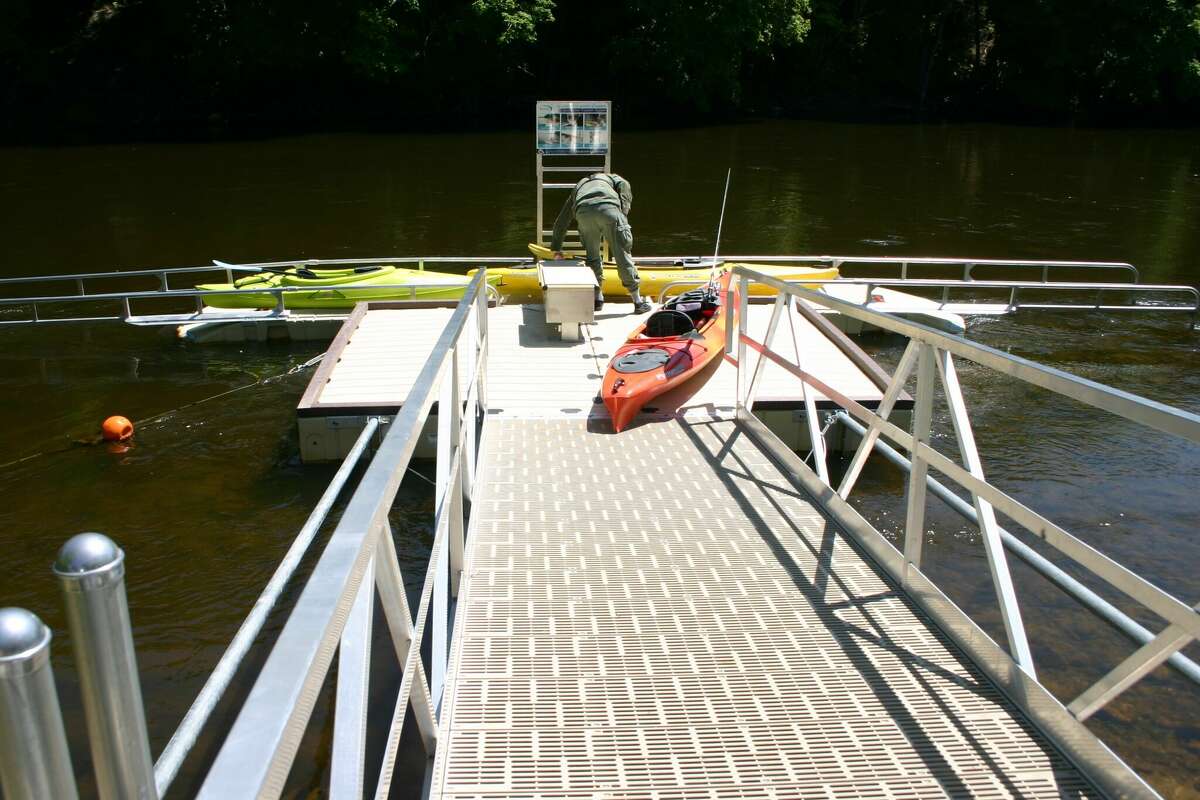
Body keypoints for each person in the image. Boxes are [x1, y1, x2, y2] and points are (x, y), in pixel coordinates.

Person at [550, 173, 650, 313]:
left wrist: (556, 248)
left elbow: (561, 222)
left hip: (584, 213)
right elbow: (625, 185)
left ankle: (598, 299)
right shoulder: (614, 178)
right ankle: (638, 302)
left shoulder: (579, 187)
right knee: (622, 255)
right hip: (609, 209)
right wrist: (624, 211)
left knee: (592, 257)